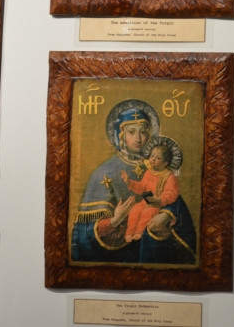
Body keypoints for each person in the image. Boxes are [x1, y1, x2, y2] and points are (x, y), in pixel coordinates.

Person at [70, 101, 196, 265]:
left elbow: (173, 197)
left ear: (149, 135)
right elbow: (82, 233)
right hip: (118, 253)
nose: (138, 138)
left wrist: (166, 214)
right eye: (131, 132)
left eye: (143, 132)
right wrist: (114, 221)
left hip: (152, 244)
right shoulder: (104, 172)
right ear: (120, 135)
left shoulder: (157, 166)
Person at [119, 142, 180, 242]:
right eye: (152, 156)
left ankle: (139, 232)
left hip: (157, 204)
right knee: (135, 209)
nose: (153, 159)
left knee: (147, 213)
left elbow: (171, 194)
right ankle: (130, 232)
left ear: (165, 163)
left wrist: (159, 199)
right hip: (146, 201)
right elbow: (142, 187)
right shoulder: (148, 172)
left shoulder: (169, 176)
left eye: (158, 158)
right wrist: (129, 182)